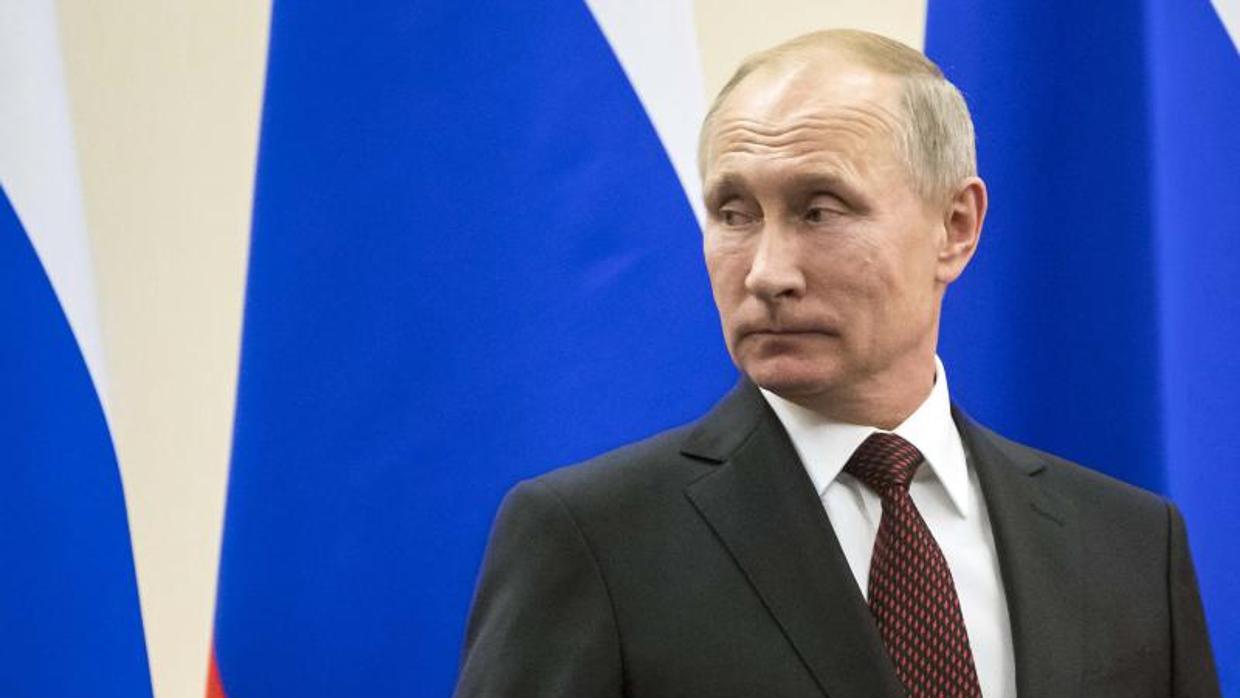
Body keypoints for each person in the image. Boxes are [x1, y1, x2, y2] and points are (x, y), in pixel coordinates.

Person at [453, 29, 1220, 697]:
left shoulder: (1129, 545)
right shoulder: (593, 539)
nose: (766, 272)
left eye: (819, 210)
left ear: (955, 227)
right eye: (734, 214)